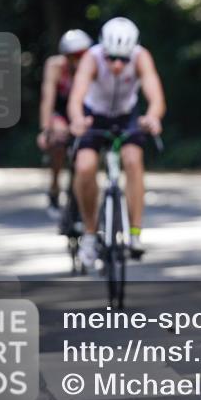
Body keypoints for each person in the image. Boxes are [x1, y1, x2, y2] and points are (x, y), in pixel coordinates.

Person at [67, 17, 166, 267]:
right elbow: (76, 96)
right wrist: (78, 119)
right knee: (84, 167)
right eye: (112, 58)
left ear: (132, 52)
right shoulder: (92, 57)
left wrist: (153, 117)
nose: (118, 65)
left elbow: (155, 96)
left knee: (133, 160)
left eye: (124, 59)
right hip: (94, 115)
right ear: (103, 50)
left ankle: (134, 234)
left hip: (126, 115)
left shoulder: (142, 57)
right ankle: (90, 235)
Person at [36, 29, 92, 224]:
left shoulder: (93, 64)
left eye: (82, 55)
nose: (78, 60)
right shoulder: (55, 66)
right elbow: (47, 98)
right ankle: (54, 185)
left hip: (84, 113)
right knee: (58, 140)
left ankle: (82, 198)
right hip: (61, 113)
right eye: (73, 56)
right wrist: (45, 129)